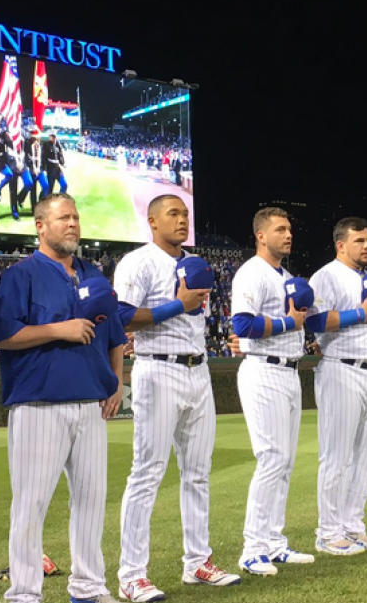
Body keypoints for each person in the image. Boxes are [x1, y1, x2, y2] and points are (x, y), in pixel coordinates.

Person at [0, 193, 126, 603]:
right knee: (30, 503)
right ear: (40, 225)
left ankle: (88, 587)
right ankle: (25, 592)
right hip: (38, 403)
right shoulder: (21, 275)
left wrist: (116, 380)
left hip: (90, 404)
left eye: (76, 218)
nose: (73, 224)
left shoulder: (94, 272)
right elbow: (0, 336)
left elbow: (114, 334)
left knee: (91, 500)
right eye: (63, 218)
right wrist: (57, 330)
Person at [114, 194, 241, 601]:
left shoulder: (195, 262)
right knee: (147, 471)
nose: (183, 220)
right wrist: (178, 304)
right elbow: (122, 316)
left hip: (198, 369)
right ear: (152, 222)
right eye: (174, 214)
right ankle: (132, 574)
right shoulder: (138, 261)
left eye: (185, 213)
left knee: (198, 472)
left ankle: (197, 562)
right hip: (158, 368)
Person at [229, 207, 312, 576]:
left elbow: (299, 323)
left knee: (285, 461)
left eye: (290, 229)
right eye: (280, 229)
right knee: (271, 458)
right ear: (261, 235)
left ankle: (274, 542)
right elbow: (242, 324)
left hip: (289, 370)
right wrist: (287, 323)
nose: (288, 234)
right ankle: (252, 548)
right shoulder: (251, 272)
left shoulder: (288, 276)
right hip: (263, 370)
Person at [304, 217, 367, 555]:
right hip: (341, 369)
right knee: (336, 456)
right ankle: (328, 532)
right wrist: (360, 314)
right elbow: (313, 320)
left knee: (366, 456)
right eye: (359, 241)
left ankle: (353, 526)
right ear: (341, 245)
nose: (366, 246)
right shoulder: (326, 276)